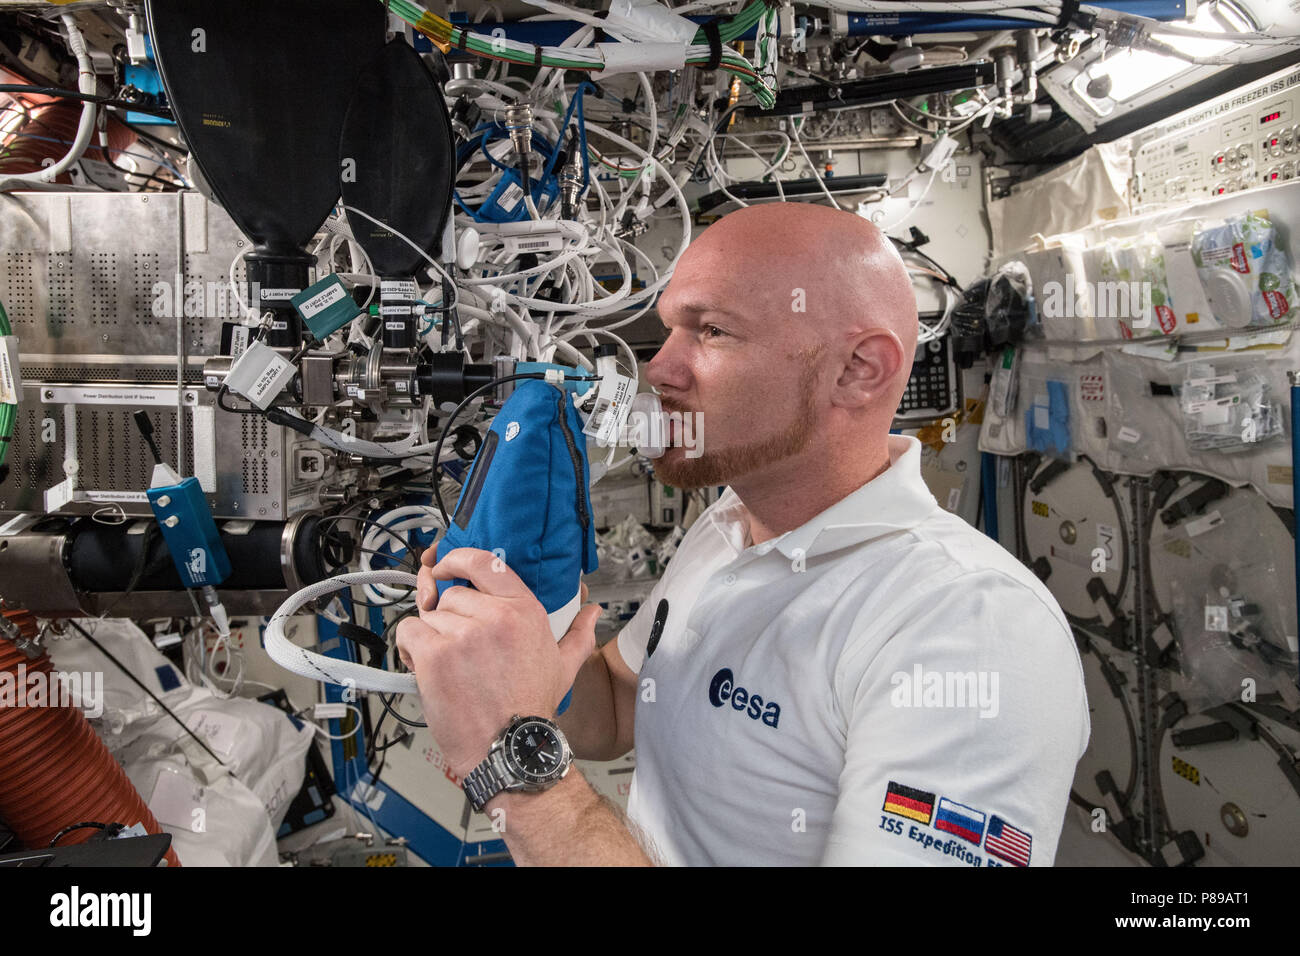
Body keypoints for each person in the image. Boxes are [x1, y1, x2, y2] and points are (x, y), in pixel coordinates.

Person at [397, 202, 1089, 866]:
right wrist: (524, 626)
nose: (659, 369)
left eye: (712, 331)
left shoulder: (971, 627)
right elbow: (614, 712)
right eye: (670, 329)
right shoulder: (730, 527)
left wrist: (514, 759)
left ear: (858, 370)